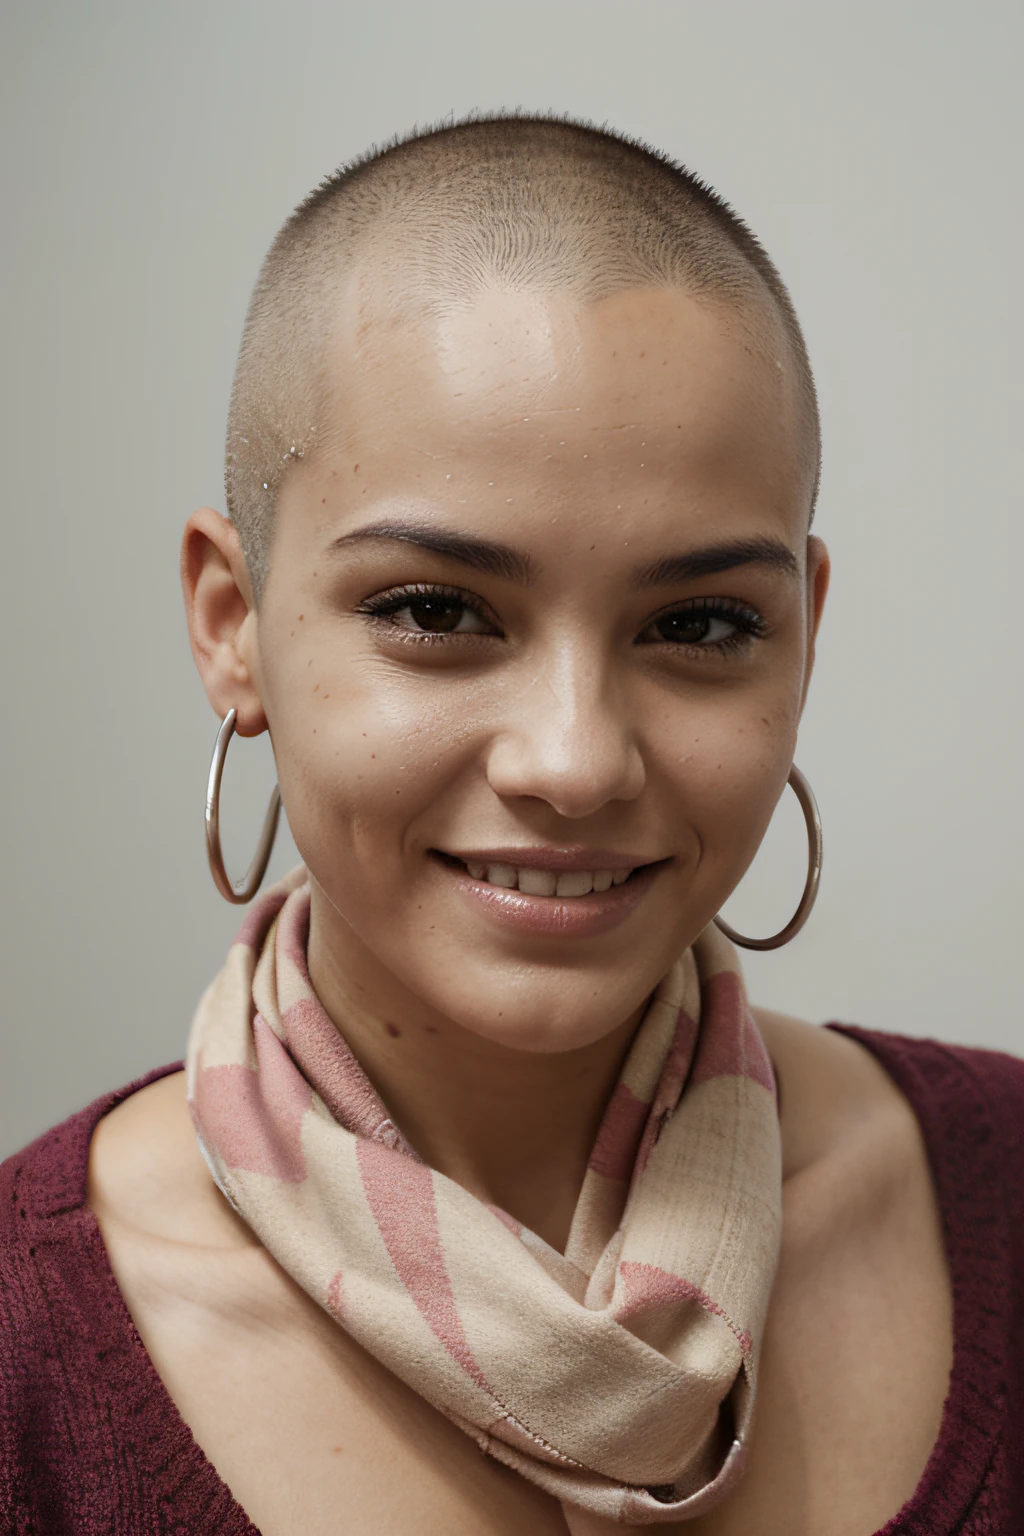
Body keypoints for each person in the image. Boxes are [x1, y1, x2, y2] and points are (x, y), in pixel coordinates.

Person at [2, 114, 1021, 1536]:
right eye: (437, 612)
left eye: (703, 623)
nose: (574, 761)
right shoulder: (26, 1365)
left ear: (804, 638)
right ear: (231, 626)